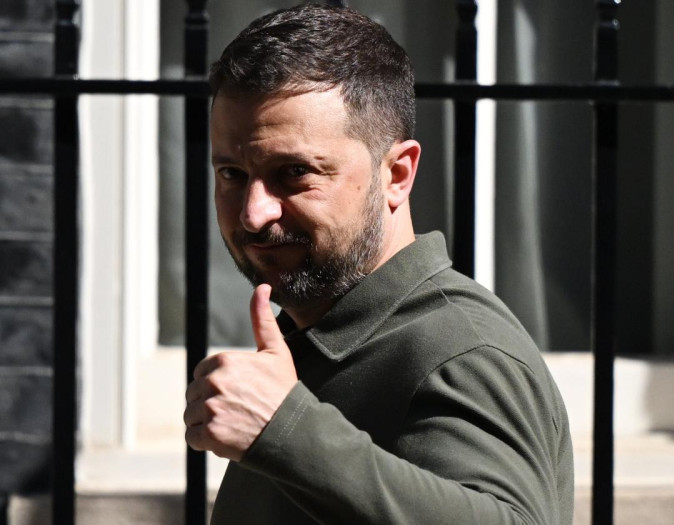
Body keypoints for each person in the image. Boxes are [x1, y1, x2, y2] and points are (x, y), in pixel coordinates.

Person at [182, 4, 573, 523]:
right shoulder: (320, 335)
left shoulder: (460, 352)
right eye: (232, 174)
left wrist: (285, 430)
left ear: (397, 174)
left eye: (295, 172)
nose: (255, 214)